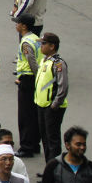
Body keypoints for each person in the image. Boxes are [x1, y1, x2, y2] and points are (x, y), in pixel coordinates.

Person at [35, 33, 69, 164]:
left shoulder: (58, 63)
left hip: (52, 106)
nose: (41, 46)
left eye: (43, 43)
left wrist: (55, 104)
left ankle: (55, 168)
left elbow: (63, 86)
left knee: (52, 139)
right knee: (45, 137)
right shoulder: (44, 60)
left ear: (52, 46)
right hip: (42, 105)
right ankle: (49, 166)